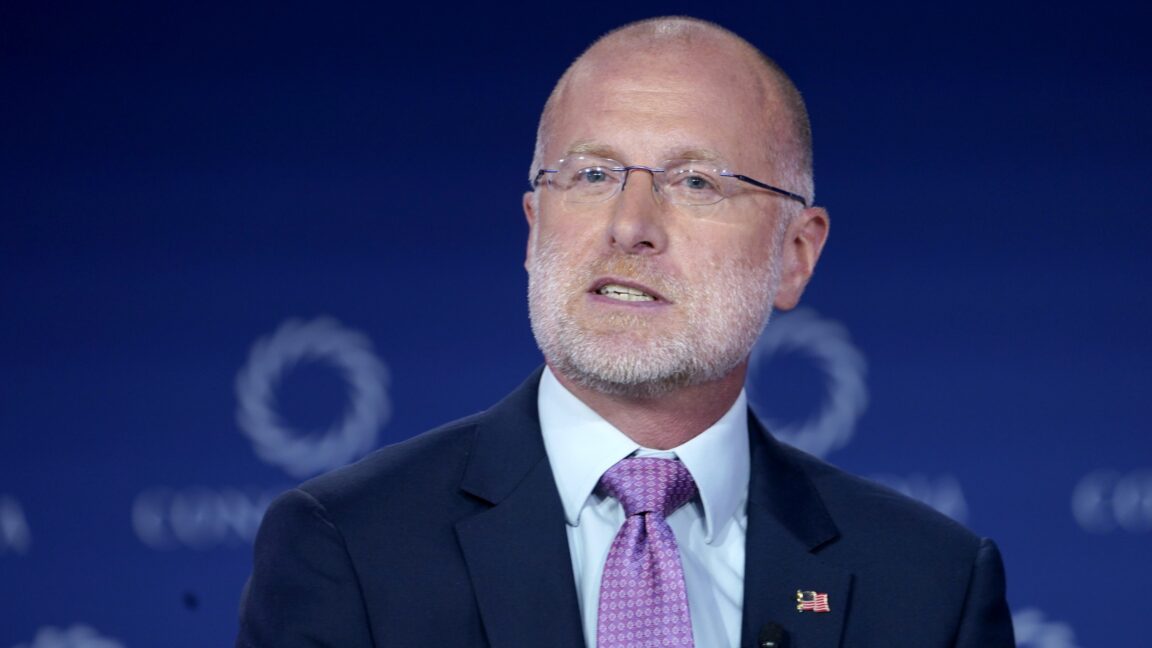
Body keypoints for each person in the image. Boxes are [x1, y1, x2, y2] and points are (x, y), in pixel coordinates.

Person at [236, 16, 1014, 647]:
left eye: (697, 182)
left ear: (796, 255)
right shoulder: (351, 547)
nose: (630, 225)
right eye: (594, 175)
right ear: (534, 228)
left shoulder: (929, 585)